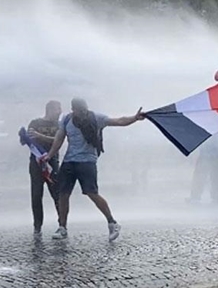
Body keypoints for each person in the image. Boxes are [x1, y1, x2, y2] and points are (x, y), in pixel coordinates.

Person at [41, 97, 146, 241]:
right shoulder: (67, 120)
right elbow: (59, 138)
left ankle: (112, 222)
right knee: (63, 194)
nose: (81, 112)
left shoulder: (96, 118)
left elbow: (118, 121)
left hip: (87, 162)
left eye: (83, 109)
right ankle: (62, 227)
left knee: (92, 193)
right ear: (73, 110)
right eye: (78, 110)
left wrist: (135, 118)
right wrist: (50, 155)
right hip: (69, 161)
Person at [27, 100, 63, 236]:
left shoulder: (60, 125)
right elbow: (30, 140)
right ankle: (37, 227)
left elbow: (58, 141)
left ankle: (62, 224)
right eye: (58, 109)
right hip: (36, 163)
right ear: (50, 109)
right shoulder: (35, 123)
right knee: (36, 195)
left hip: (52, 163)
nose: (60, 111)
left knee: (57, 194)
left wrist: (40, 136)